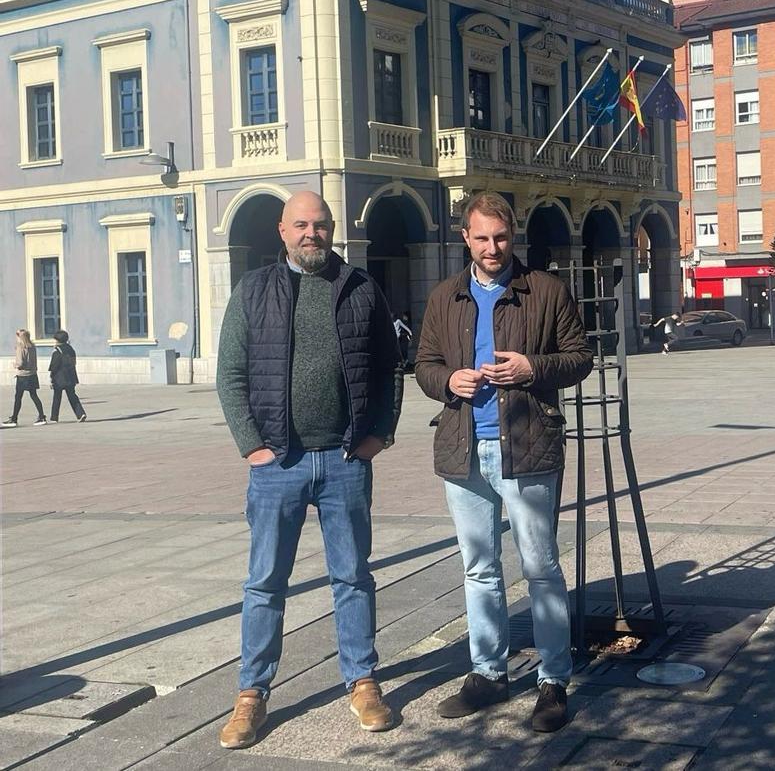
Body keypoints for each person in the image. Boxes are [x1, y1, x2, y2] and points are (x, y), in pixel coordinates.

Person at [215, 191, 400, 749]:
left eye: (320, 225)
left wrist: (378, 436)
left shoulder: (362, 288)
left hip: (344, 459)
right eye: (301, 225)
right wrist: (252, 447)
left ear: (333, 229)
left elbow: (392, 368)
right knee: (265, 582)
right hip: (279, 463)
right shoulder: (254, 291)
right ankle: (252, 694)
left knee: (352, 577)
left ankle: (362, 681)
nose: (311, 234)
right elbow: (231, 375)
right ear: (282, 230)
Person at [415, 192, 592, 733]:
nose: (492, 248)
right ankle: (488, 674)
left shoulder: (545, 291)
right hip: (464, 450)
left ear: (511, 237)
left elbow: (581, 357)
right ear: (465, 238)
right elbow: (423, 364)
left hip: (528, 448)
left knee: (541, 569)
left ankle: (553, 681)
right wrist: (448, 380)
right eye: (481, 238)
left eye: (501, 237)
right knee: (479, 568)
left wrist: (531, 368)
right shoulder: (445, 297)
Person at [2, 330, 47, 428]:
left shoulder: (20, 347)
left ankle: (14, 419)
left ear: (19, 336)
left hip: (23, 376)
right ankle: (42, 416)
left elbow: (20, 363)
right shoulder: (32, 346)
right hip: (32, 374)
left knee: (18, 397)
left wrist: (15, 365)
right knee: (34, 395)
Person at [48, 330, 86, 423]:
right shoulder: (70, 349)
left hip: (59, 377)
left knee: (57, 397)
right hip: (71, 376)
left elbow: (54, 365)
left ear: (57, 340)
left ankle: (54, 417)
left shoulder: (57, 350)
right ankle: (80, 413)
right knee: (72, 395)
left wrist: (51, 377)